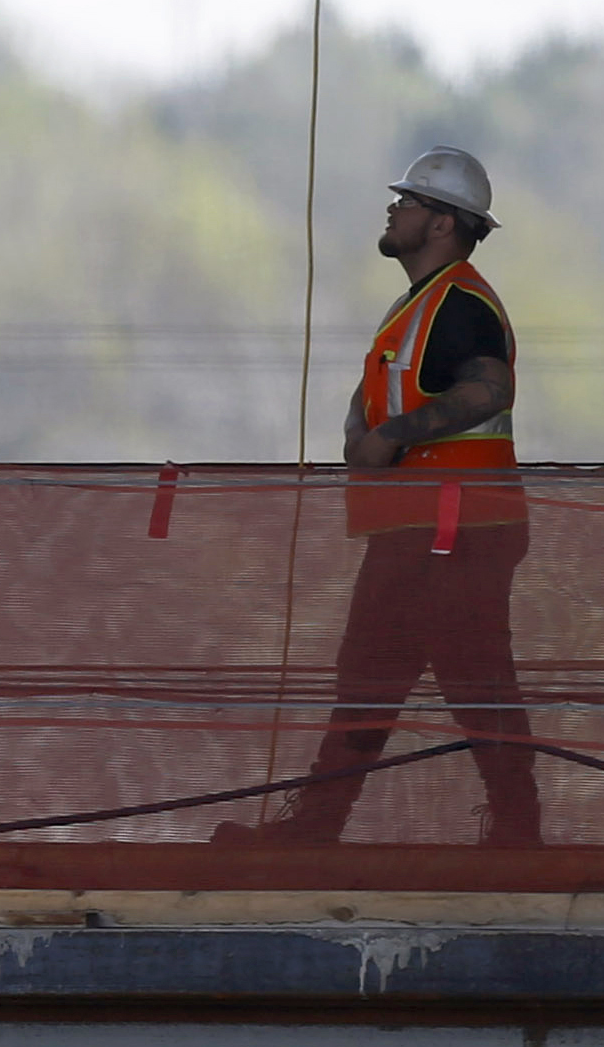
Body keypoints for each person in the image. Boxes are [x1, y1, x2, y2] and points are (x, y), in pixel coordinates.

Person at [223, 147, 543, 849]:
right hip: (421, 529)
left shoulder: (460, 303)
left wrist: (392, 434)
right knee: (371, 674)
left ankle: (517, 831)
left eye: (409, 201)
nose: (394, 208)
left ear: (442, 224)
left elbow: (490, 389)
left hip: (457, 528)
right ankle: (318, 824)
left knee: (472, 678)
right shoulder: (419, 307)